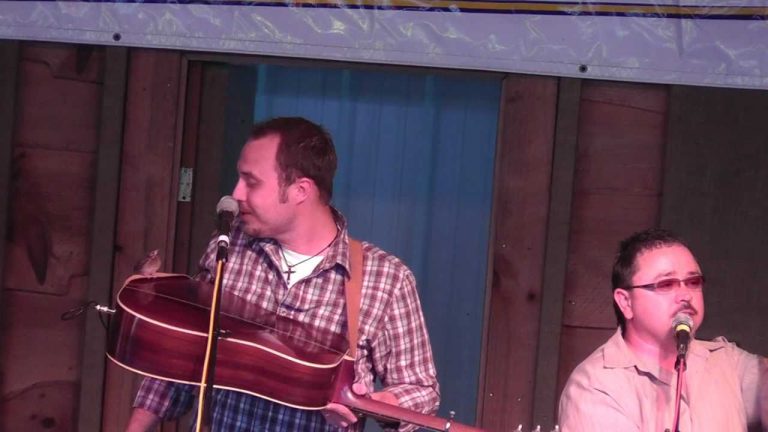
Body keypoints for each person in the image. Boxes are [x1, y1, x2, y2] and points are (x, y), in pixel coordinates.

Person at [125, 117, 440, 431]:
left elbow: (421, 390)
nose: (236, 193)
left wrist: (379, 403)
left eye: (252, 181)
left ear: (301, 190)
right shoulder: (228, 245)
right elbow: (184, 355)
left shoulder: (387, 278)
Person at [558, 228, 767, 432]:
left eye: (693, 282)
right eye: (666, 284)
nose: (685, 295)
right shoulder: (595, 386)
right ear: (626, 303)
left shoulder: (727, 362)